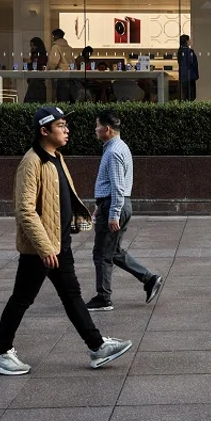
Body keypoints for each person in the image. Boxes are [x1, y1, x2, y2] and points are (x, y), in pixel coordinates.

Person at [0, 106, 133, 375]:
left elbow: (62, 197)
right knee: (22, 298)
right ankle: (0, 352)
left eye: (66, 125)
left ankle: (97, 346)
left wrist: (76, 221)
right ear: (44, 131)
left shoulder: (56, 157)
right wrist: (44, 247)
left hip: (59, 244)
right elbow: (25, 210)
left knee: (72, 296)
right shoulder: (32, 162)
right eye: (60, 126)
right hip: (42, 249)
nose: (67, 130)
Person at [85, 110, 163, 312]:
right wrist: (99, 206)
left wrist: (112, 214)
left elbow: (118, 186)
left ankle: (103, 298)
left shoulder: (112, 152)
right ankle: (149, 279)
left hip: (114, 204)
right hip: (113, 203)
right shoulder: (119, 147)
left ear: (107, 129)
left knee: (102, 253)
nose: (95, 130)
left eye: (97, 126)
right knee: (114, 251)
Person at [24, 36, 49, 103]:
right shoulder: (35, 55)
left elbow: (39, 66)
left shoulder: (41, 56)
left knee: (31, 100)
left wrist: (30, 62)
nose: (32, 47)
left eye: (33, 45)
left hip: (36, 80)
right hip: (35, 80)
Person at [177, 34, 199, 101]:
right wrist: (196, 74)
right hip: (190, 76)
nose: (190, 41)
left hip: (183, 76)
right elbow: (193, 64)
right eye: (189, 39)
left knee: (185, 94)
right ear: (186, 41)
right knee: (191, 95)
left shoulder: (180, 51)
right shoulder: (189, 52)